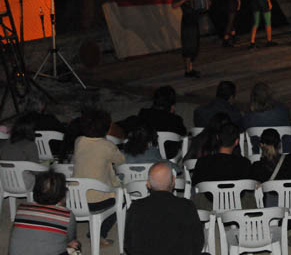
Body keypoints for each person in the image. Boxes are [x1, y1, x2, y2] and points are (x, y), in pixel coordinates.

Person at [124, 162, 204, 255]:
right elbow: (198, 244)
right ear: (173, 181)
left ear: (148, 184)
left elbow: (128, 245)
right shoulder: (187, 206)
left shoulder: (136, 208)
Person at [72, 108, 125, 247]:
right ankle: (100, 234)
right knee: (121, 200)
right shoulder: (107, 146)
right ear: (106, 128)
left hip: (76, 199)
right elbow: (120, 160)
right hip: (96, 202)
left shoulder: (78, 141)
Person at [250, 128, 291, 246]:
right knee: (290, 195)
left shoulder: (257, 167)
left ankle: (271, 228)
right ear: (279, 144)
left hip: (273, 206)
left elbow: (252, 184)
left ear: (261, 145)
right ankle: (289, 229)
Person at [9, 171, 80, 255]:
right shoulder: (67, 215)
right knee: (75, 245)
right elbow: (70, 240)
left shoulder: (22, 208)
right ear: (62, 194)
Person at [192, 124, 252, 209]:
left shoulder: (203, 162)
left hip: (210, 206)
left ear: (217, 138)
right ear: (236, 142)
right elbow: (250, 187)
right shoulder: (244, 163)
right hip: (238, 206)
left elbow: (195, 184)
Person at [172, 0, 202, 78]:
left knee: (194, 45)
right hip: (187, 21)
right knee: (188, 45)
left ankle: (191, 68)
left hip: (194, 20)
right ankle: (188, 70)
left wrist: (205, 3)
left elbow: (198, 6)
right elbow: (174, 5)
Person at [1, 114, 40, 189]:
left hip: (4, 181)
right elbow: (36, 171)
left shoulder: (6, 143)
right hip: (21, 183)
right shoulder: (30, 145)